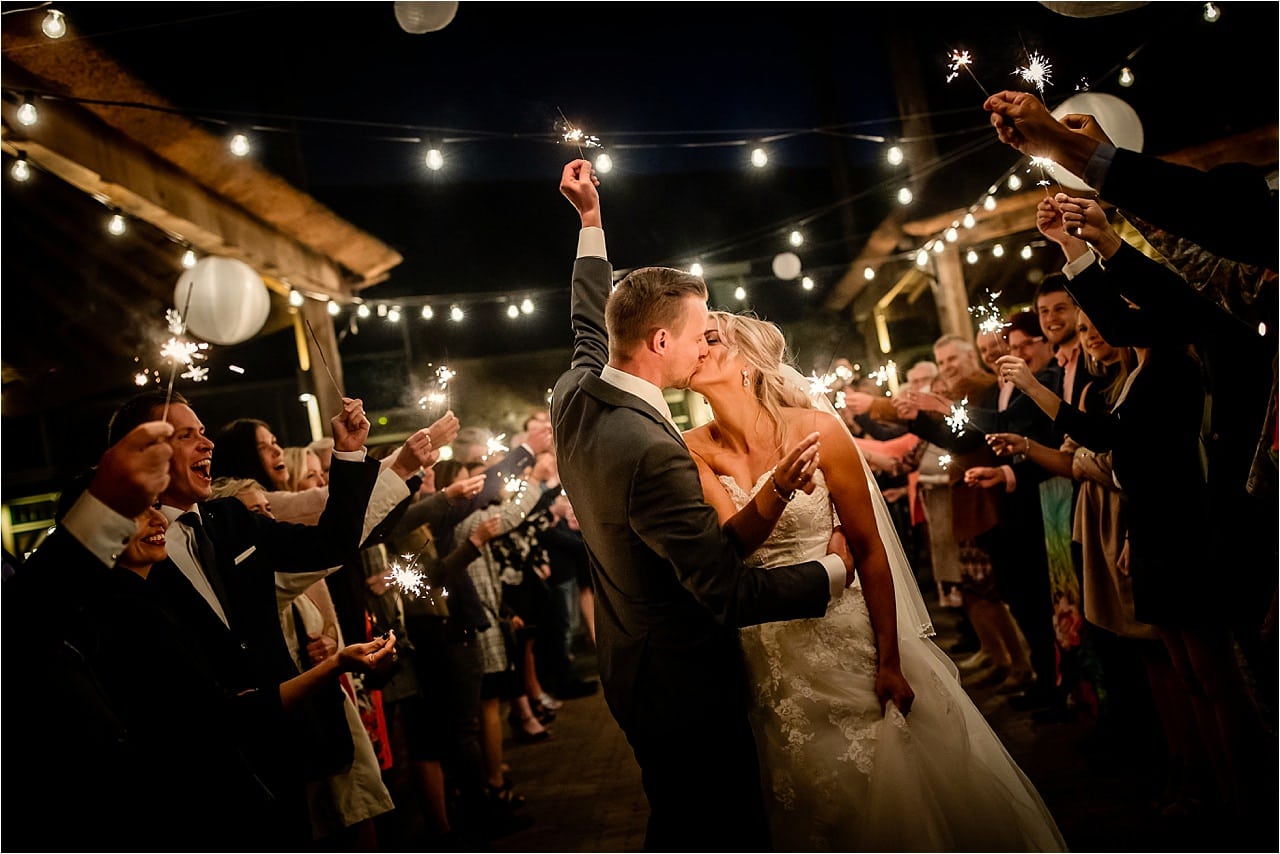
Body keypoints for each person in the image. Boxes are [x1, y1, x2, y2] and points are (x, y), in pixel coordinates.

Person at [551, 158, 856, 852]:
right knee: (716, 828)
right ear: (661, 344)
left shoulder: (574, 394)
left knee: (678, 819)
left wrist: (591, 223)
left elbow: (586, 321)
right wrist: (836, 573)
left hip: (629, 663)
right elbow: (727, 590)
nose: (705, 342)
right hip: (682, 686)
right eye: (697, 334)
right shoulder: (652, 450)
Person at [684, 310, 1066, 851]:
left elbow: (869, 549)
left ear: (747, 360)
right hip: (766, 648)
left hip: (845, 635)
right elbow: (732, 545)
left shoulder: (818, 430)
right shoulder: (691, 447)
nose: (697, 348)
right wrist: (780, 490)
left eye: (710, 339)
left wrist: (888, 658)